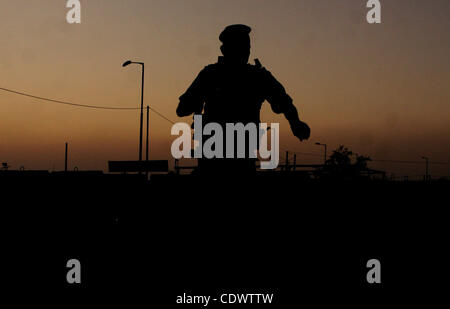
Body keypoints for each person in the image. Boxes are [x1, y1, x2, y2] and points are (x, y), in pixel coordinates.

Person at [176, 24, 310, 175]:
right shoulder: (212, 75)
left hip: (237, 156)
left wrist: (296, 122)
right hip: (216, 157)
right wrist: (295, 122)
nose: (245, 51)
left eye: (246, 47)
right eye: (241, 47)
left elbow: (284, 102)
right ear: (224, 50)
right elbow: (181, 109)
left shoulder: (254, 76)